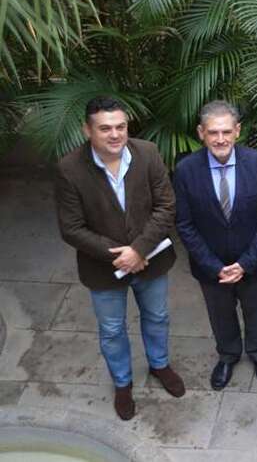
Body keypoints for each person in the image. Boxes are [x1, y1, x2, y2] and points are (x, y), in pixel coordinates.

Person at [55, 96, 184, 420]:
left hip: (151, 259)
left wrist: (138, 250)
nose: (115, 134)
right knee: (112, 330)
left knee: (157, 316)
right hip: (103, 269)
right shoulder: (69, 169)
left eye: (121, 126)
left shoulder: (148, 153)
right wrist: (121, 256)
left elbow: (166, 206)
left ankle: (159, 365)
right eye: (105, 128)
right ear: (87, 130)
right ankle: (123, 383)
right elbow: (71, 228)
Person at [174, 100, 257, 391]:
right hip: (211, 267)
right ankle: (228, 355)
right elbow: (184, 224)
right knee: (220, 315)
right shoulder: (185, 170)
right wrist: (214, 266)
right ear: (201, 133)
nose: (220, 139)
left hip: (254, 262)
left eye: (226, 132)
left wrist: (246, 263)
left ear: (237, 131)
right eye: (213, 132)